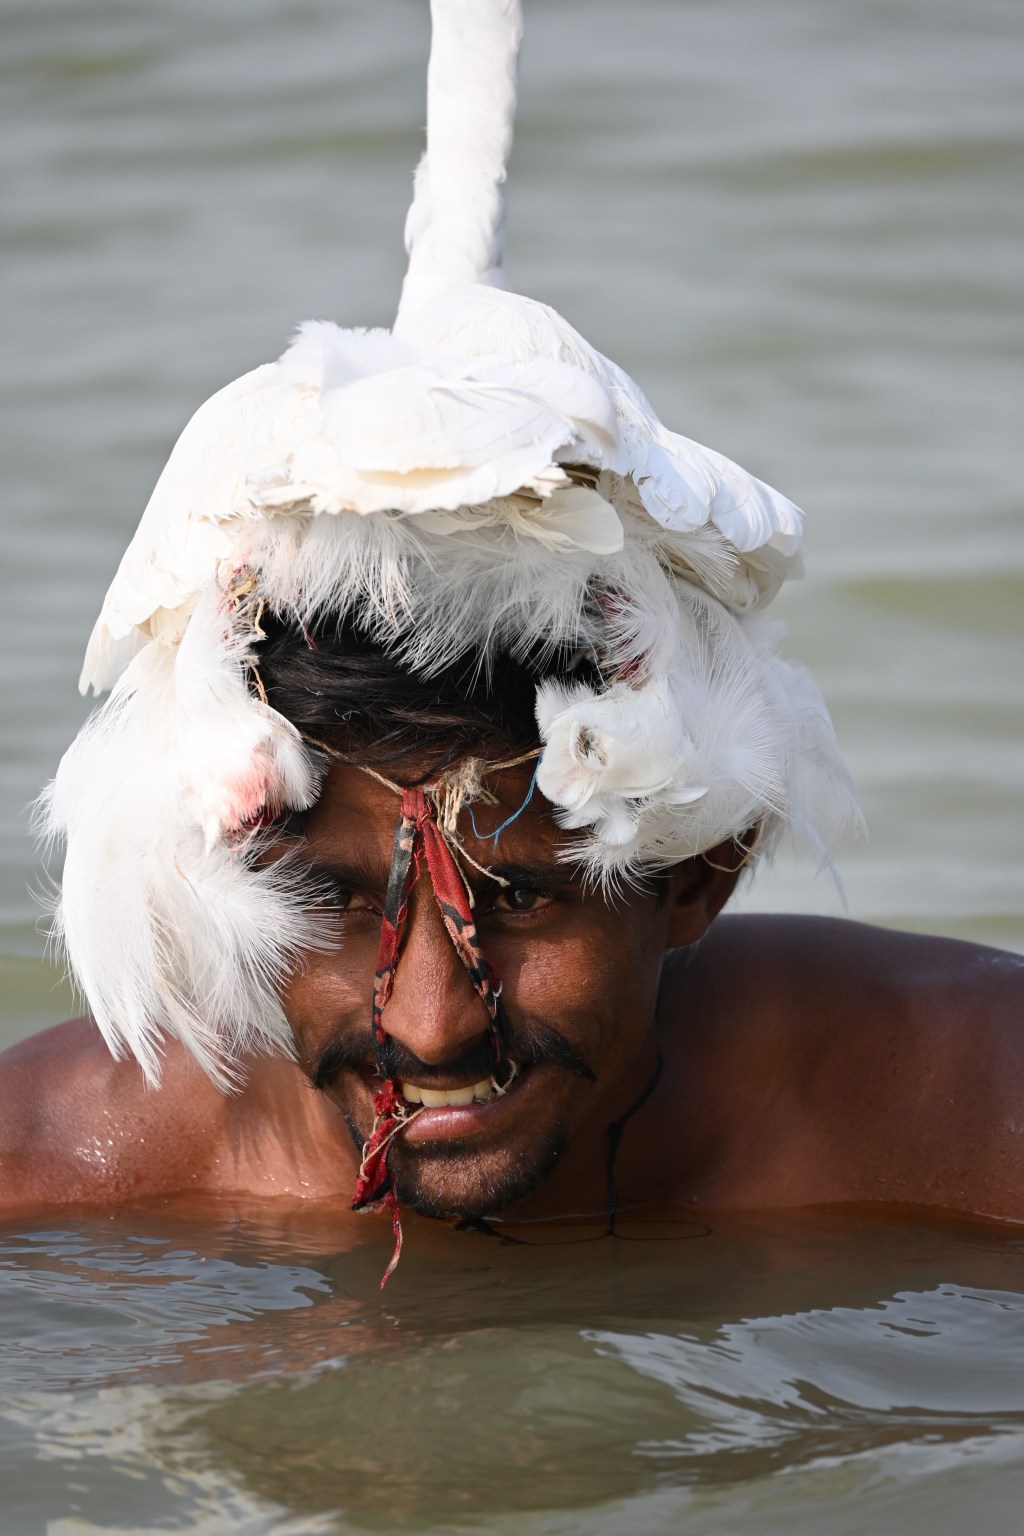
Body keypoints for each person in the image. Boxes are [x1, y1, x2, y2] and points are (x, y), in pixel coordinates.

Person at [2, 0, 1021, 1274]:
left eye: (527, 894)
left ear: (698, 872)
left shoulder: (975, 1117)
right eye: (324, 896)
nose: (431, 1027)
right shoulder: (47, 1193)